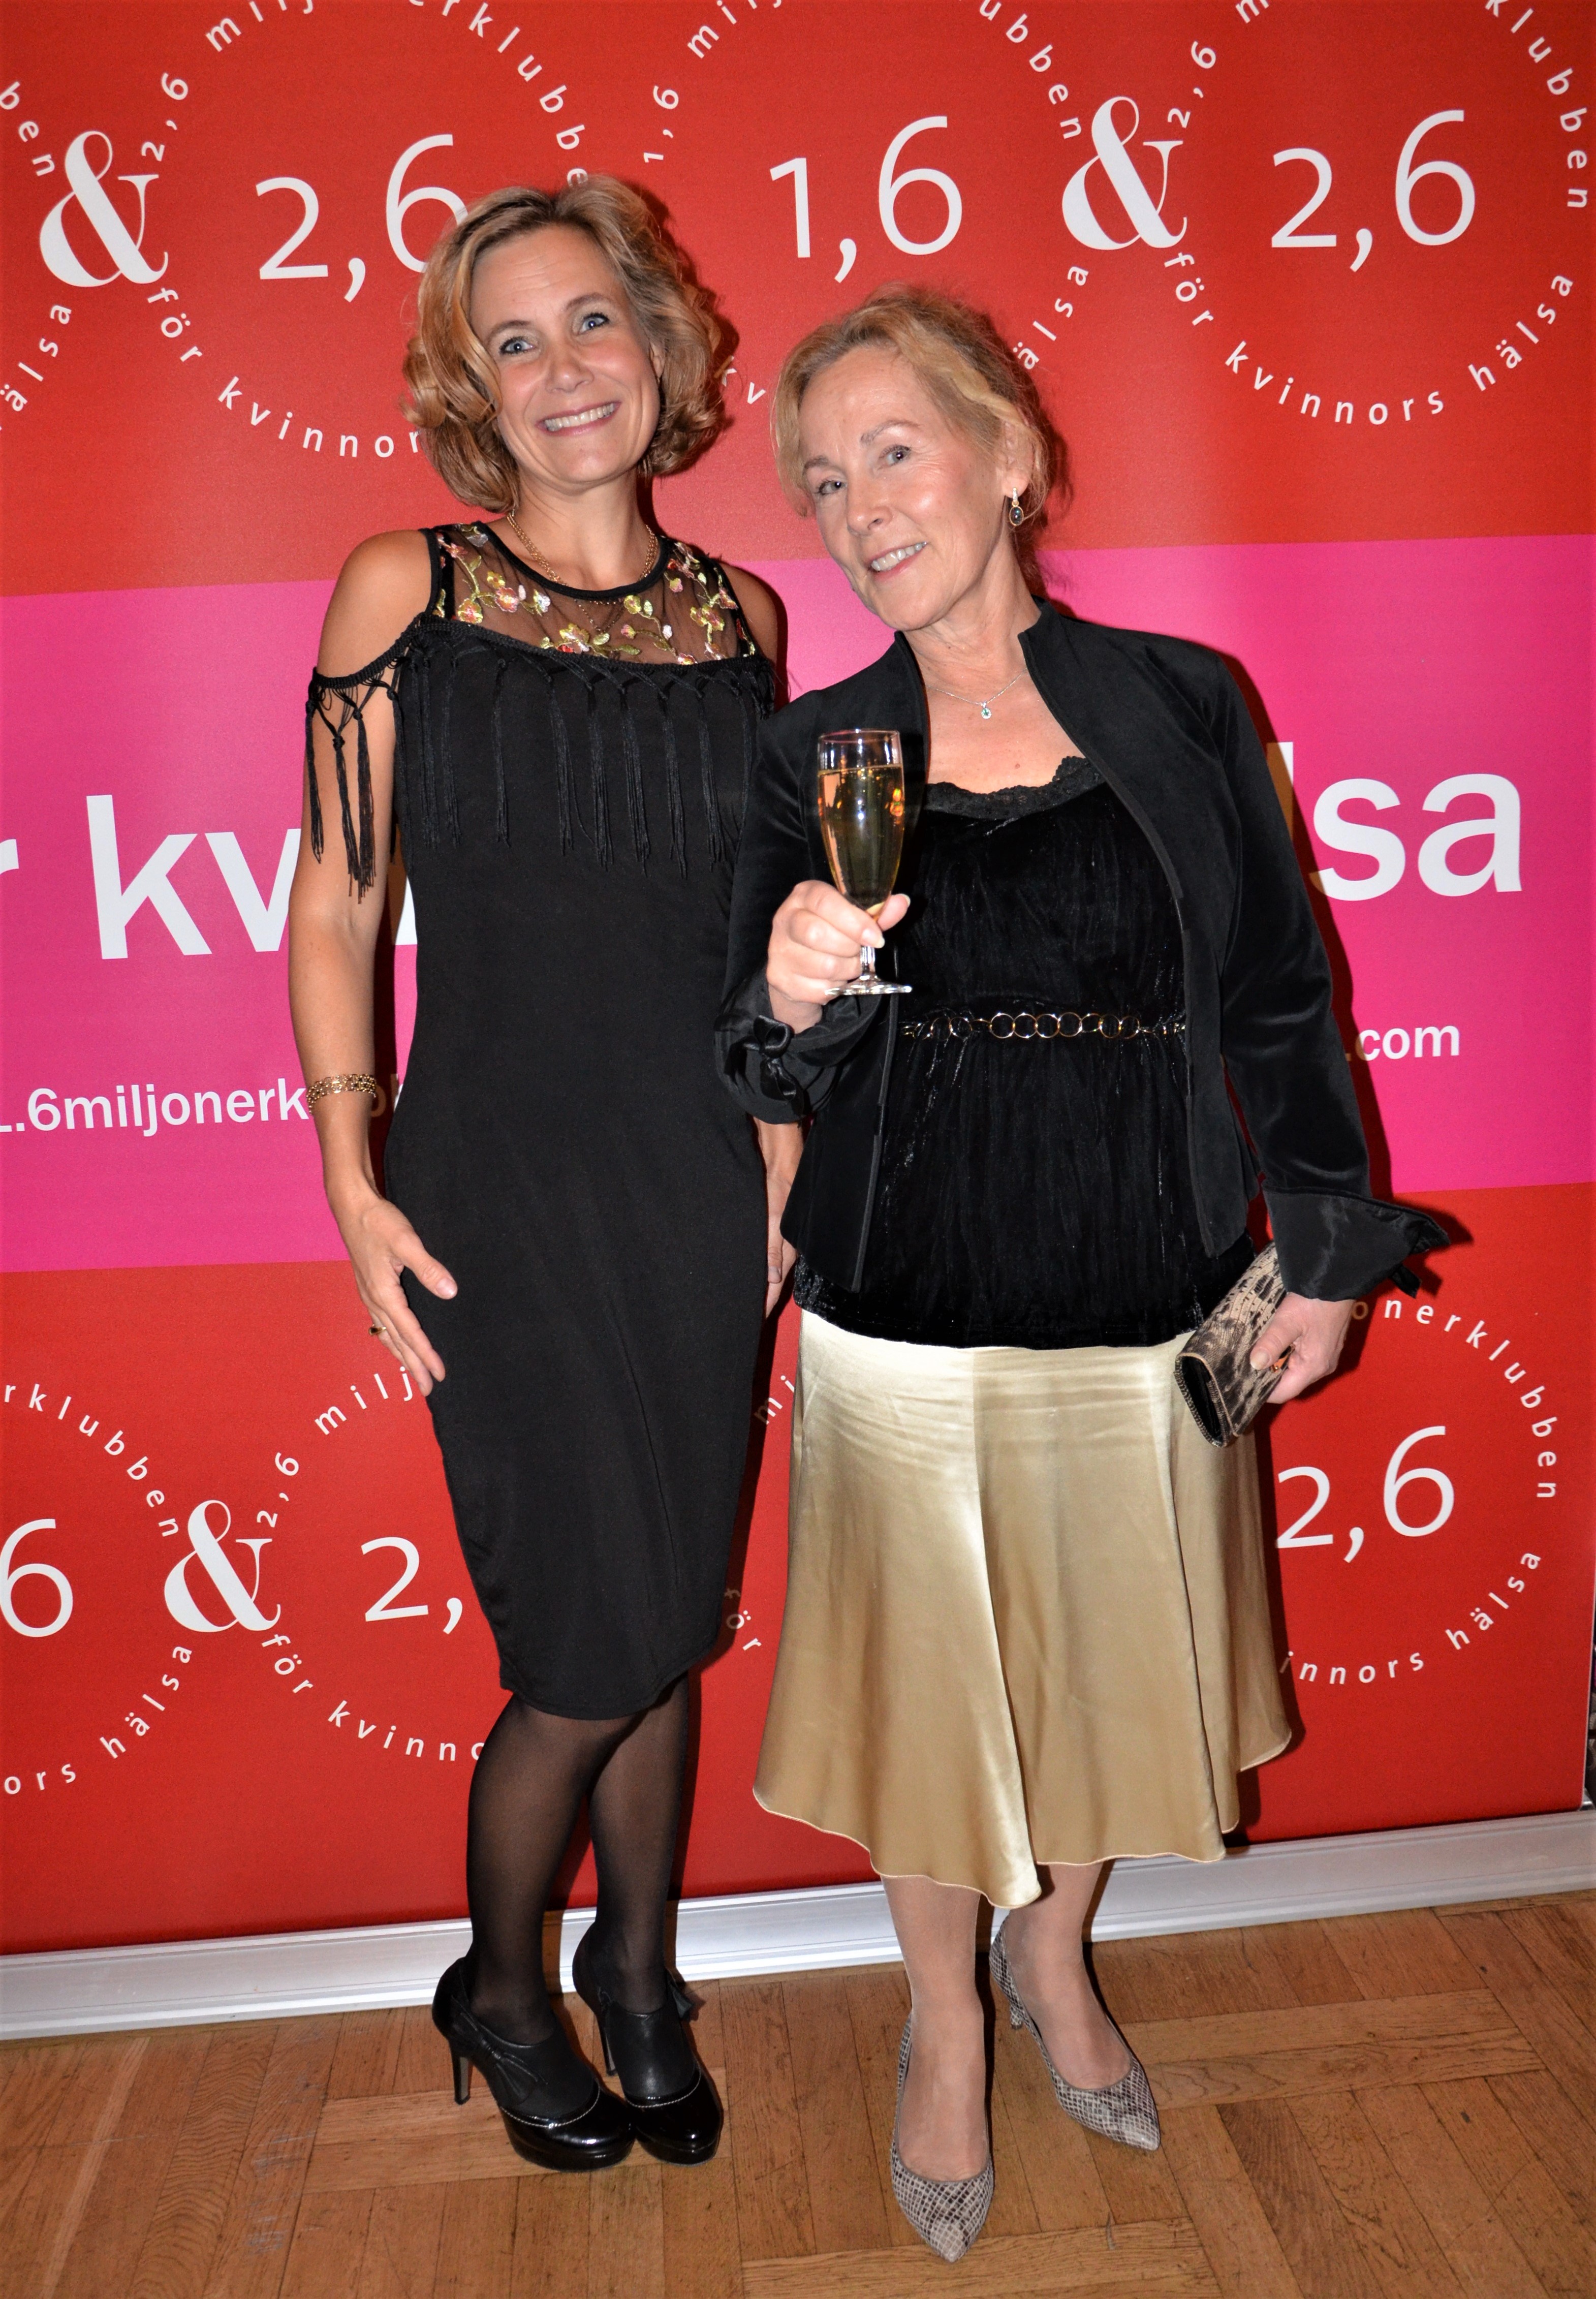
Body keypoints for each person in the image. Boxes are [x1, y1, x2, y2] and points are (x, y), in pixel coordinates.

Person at [717, 287, 1445, 2259]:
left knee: (1118, 1677)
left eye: (896, 450)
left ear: (1013, 456)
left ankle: (1054, 1958)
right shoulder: (812, 753)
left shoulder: (1184, 700)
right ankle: (945, 2019)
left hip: (1157, 1294)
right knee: (929, 1706)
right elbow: (759, 1067)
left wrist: (1328, 1245)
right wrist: (793, 994)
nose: (860, 504)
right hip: (904, 1306)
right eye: (823, 478)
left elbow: (1284, 994)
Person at [288, 179, 796, 2175]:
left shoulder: (746, 624)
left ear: (660, 346)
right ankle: (505, 1989)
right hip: (495, 1181)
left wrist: (779, 1167)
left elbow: (762, 943)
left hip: (697, 1184)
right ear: (470, 387)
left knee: (668, 1603)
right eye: (514, 340)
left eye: (594, 320)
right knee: (590, 1637)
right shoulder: (403, 590)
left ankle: (640, 1973)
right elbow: (340, 900)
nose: (564, 366)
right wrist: (351, 1176)